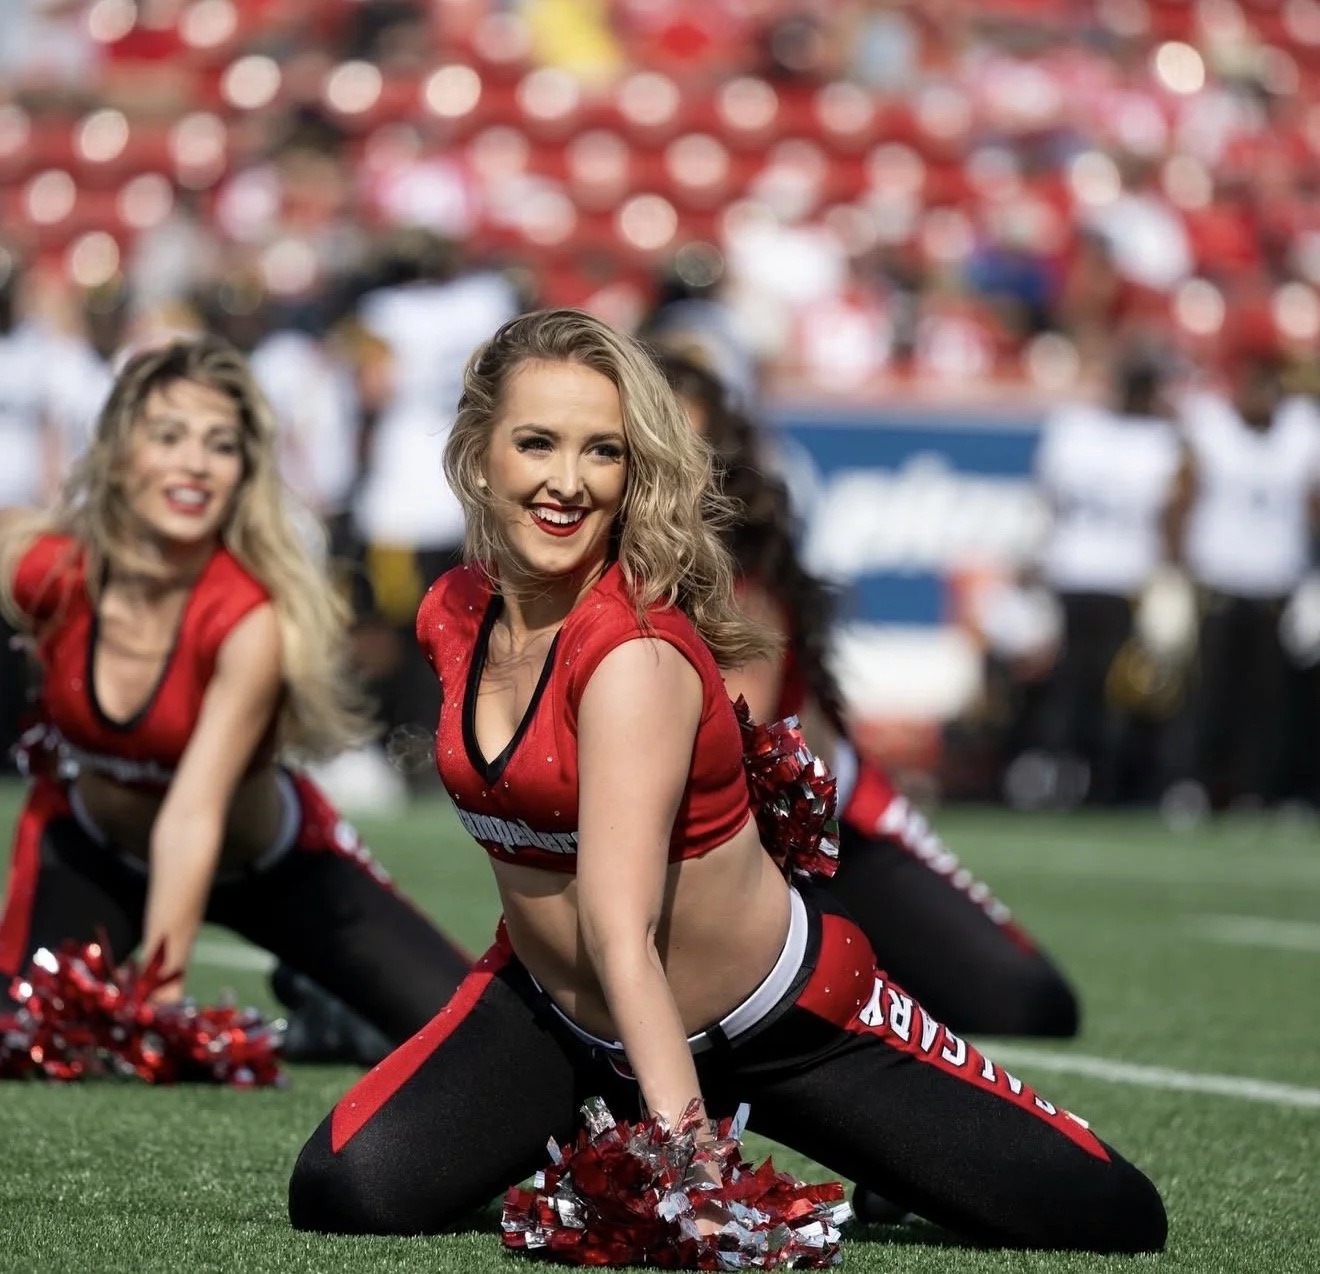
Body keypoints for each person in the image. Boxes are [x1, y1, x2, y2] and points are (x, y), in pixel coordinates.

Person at [288, 309, 1166, 1254]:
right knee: (344, 1189)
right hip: (552, 1016)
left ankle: (866, 1164)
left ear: (636, 474)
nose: (566, 483)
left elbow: (623, 931)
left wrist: (686, 1166)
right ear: (477, 452)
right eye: (535, 443)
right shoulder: (453, 613)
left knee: (1112, 1219)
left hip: (776, 1023)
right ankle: (589, 1123)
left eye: (603, 454)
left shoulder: (633, 652)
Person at [0, 335, 468, 1044]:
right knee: (21, 1033)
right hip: (97, 854)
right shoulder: (51, 574)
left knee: (461, 1036)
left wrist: (158, 1005)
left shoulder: (248, 618)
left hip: (270, 864)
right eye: (169, 436)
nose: (195, 462)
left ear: (244, 471)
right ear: (121, 454)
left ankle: (327, 1002)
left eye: (220, 444)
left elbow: (193, 812)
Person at [659, 352, 1079, 1039]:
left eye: (686, 447)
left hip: (819, 828)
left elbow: (734, 745)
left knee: (1026, 1002)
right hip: (710, 841)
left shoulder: (739, 566)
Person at [1162, 328, 1320, 817]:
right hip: (1218, 587)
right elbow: (1180, 504)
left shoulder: (1302, 431)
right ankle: (1193, 785)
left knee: (1269, 704)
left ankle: (1258, 791)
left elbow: (1314, 507)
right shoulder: (1211, 428)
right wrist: (1172, 572)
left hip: (1277, 589)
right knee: (1207, 696)